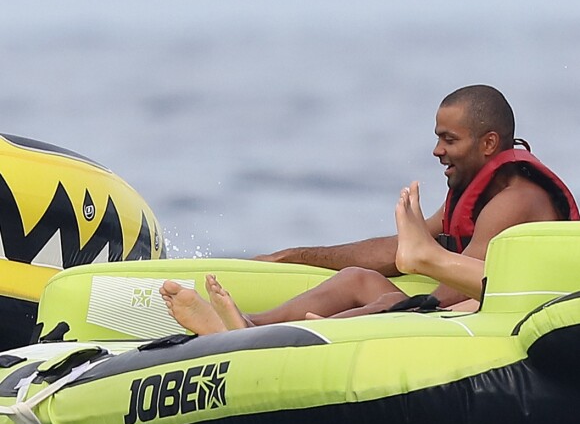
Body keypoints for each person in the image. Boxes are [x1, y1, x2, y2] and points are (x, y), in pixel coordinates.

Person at [160, 85, 579, 335]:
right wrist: (295, 255)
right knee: (359, 279)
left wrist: (392, 309)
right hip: (461, 311)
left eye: (449, 139)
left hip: (494, 328)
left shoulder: (517, 200)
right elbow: (390, 254)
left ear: (488, 144)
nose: (437, 150)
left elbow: (460, 287)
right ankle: (249, 325)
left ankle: (275, 336)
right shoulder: (478, 193)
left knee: (384, 301)